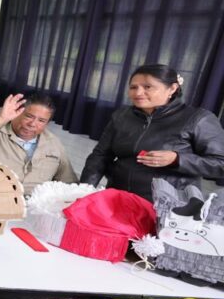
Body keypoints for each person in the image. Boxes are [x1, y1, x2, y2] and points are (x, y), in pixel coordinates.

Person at [81, 64, 224, 202]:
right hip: (118, 198)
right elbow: (100, 155)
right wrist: (83, 190)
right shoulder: (122, 115)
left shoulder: (198, 119)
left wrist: (177, 159)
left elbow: (220, 164)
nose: (138, 93)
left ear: (172, 88)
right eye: (133, 87)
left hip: (167, 206)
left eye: (148, 87)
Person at [0, 93, 77, 196]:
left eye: (41, 121)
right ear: (16, 113)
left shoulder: (53, 143)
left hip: (34, 208)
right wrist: (1, 118)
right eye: (29, 116)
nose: (32, 124)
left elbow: (70, 183)